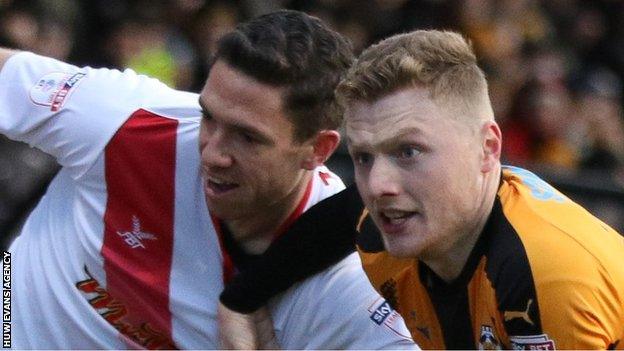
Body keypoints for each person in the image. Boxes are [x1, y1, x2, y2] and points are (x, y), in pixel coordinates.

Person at [0, 10, 416, 349]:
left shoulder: (348, 284)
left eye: (248, 137)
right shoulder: (129, 118)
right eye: (208, 117)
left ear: (318, 150)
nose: (213, 153)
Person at [218, 29, 624, 350]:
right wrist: (239, 301)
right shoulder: (394, 222)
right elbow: (342, 218)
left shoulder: (546, 278)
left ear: (487, 150)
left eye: (409, 151)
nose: (377, 186)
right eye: (363, 156)